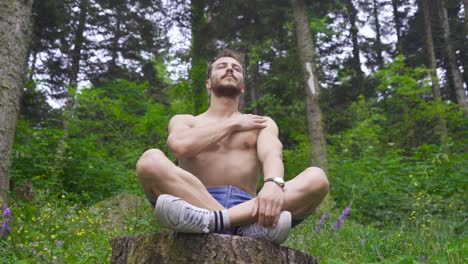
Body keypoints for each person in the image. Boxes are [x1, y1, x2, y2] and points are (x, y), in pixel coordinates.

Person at [136, 49, 329, 244]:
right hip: (193, 203)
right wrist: (233, 124)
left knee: (317, 179)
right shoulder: (186, 121)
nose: (230, 69)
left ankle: (215, 222)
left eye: (236, 68)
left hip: (252, 206)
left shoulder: (260, 123)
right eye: (222, 66)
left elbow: (272, 154)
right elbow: (181, 146)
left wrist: (272, 184)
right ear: (208, 83)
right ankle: (241, 228)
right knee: (149, 160)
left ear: (243, 86)